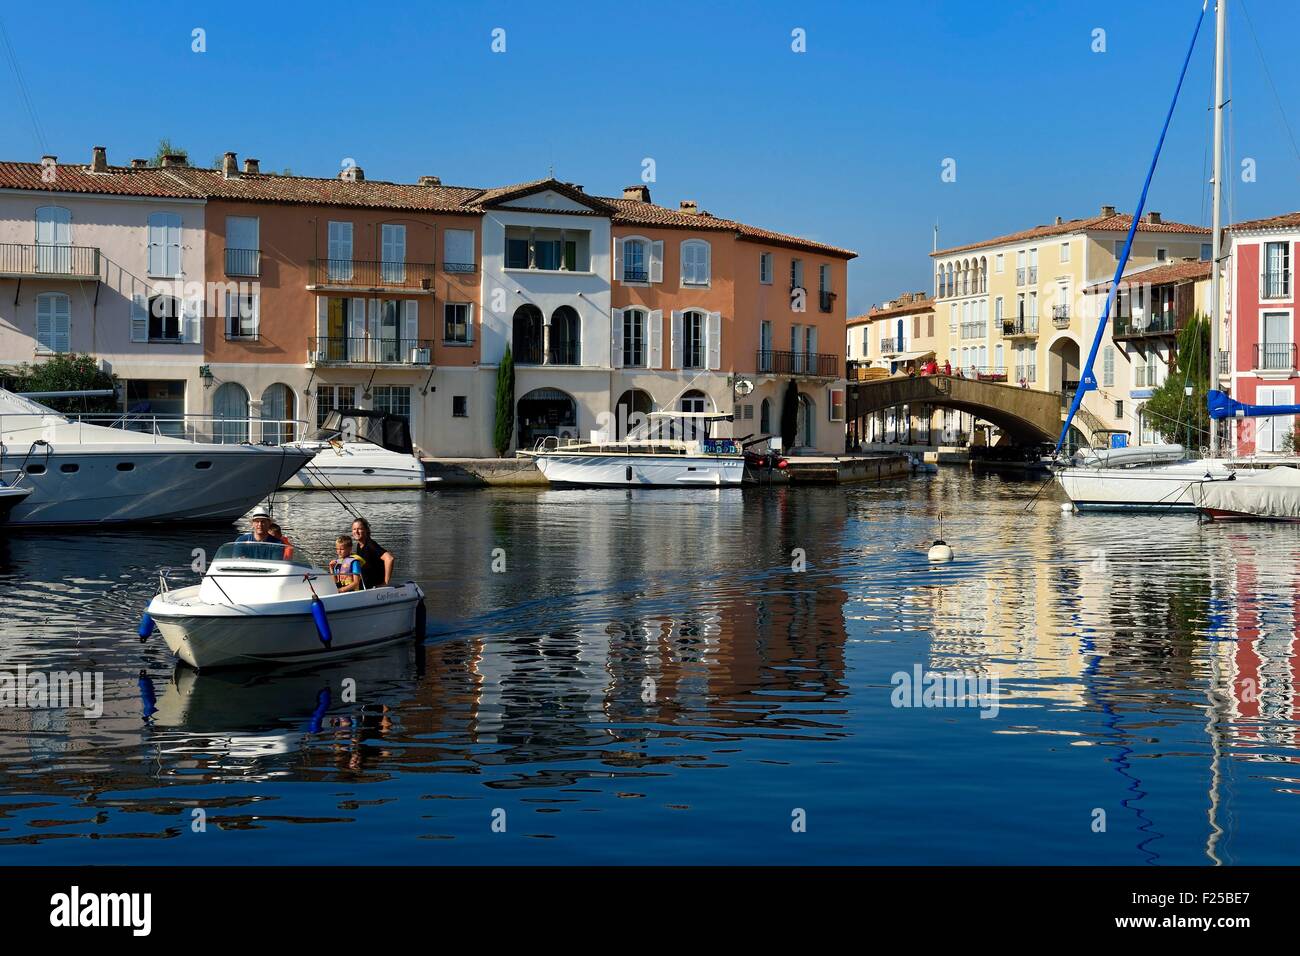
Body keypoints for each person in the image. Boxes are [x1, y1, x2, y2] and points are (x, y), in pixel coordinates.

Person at [351, 517, 394, 589]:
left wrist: (385, 583)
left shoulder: (371, 545)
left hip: (375, 587)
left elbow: (389, 559)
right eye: (354, 529)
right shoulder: (359, 545)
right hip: (365, 586)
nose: (356, 531)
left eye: (360, 529)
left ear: (366, 530)